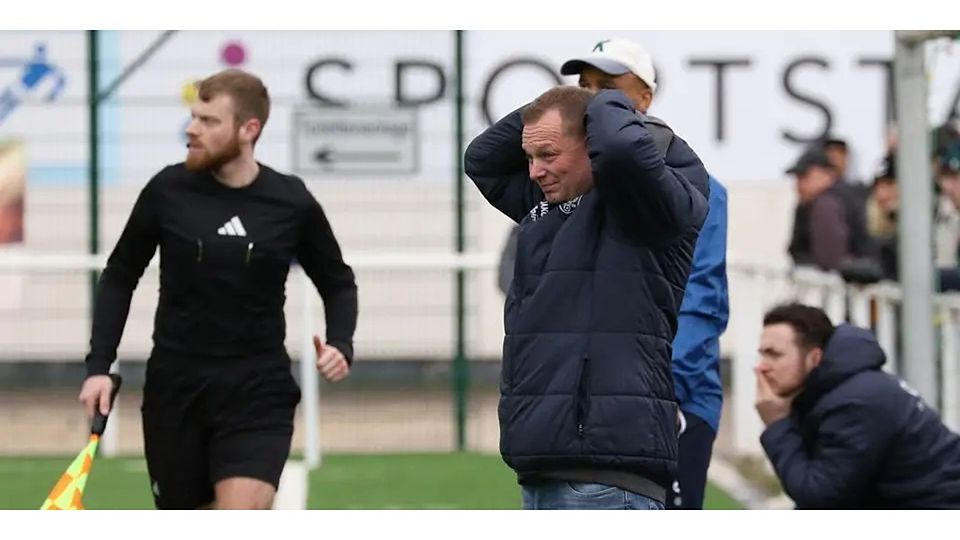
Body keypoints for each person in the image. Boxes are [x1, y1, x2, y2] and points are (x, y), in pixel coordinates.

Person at [77, 69, 358, 510]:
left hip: (257, 389)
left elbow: (337, 281)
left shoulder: (291, 201)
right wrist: (98, 365)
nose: (192, 129)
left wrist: (341, 342)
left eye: (208, 121)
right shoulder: (166, 191)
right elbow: (119, 275)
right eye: (193, 117)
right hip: (176, 389)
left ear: (249, 130)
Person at [465, 84, 709, 510]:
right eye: (530, 158)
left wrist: (603, 101)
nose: (535, 171)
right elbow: (481, 158)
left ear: (593, 144)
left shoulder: (649, 208)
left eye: (549, 155)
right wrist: (563, 104)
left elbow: (620, 148)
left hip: (607, 479)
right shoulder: (549, 204)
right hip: (549, 471)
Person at [560, 37, 729, 510]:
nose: (593, 98)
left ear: (644, 98)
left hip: (670, 399)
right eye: (585, 85)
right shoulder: (568, 185)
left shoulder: (693, 183)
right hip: (596, 407)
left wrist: (663, 391)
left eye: (609, 86)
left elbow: (699, 298)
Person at [755, 303, 960, 509]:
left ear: (814, 358)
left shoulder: (854, 403)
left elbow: (820, 497)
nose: (761, 366)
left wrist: (778, 424)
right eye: (762, 354)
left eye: (774, 355)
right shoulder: (832, 388)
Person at [786, 146, 873, 273]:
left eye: (804, 176)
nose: (799, 185)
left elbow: (830, 261)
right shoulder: (814, 203)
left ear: (827, 174)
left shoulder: (826, 205)